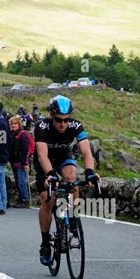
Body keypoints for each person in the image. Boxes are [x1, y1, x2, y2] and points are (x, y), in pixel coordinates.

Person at [34, 95, 98, 265]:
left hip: (63, 158)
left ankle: (73, 218)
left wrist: (90, 171)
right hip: (44, 162)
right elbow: (42, 154)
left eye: (66, 120)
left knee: (72, 178)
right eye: (58, 120)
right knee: (48, 200)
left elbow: (86, 152)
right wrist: (50, 174)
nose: (63, 124)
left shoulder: (76, 126)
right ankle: (45, 243)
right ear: (51, 115)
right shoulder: (42, 126)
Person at [9, 115, 31, 207]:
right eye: (12, 124)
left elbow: (25, 150)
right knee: (18, 182)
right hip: (14, 161)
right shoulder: (13, 134)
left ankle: (25, 200)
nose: (13, 125)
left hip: (21, 162)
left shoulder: (22, 134)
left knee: (22, 182)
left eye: (15, 124)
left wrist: (25, 162)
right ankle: (21, 198)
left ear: (19, 124)